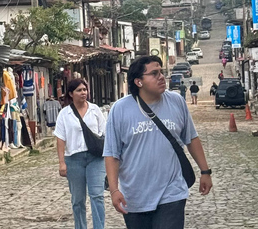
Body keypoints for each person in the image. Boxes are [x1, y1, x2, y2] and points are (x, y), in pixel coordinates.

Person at [104, 56, 213, 229]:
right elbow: (111, 153)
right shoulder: (120, 110)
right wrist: (114, 190)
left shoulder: (176, 102)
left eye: (161, 72)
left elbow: (191, 138)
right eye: (154, 73)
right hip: (134, 195)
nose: (161, 77)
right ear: (139, 82)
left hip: (172, 192)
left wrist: (205, 171)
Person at [54, 79, 107, 229]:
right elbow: (60, 138)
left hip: (95, 159)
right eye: (79, 90)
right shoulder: (65, 114)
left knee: (97, 195)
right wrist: (61, 162)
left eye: (85, 89)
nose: (83, 92)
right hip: (74, 159)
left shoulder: (95, 110)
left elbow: (105, 133)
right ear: (71, 94)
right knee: (78, 199)